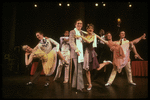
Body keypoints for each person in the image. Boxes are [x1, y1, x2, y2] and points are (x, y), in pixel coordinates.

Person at [74, 24, 99, 90]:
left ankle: (106, 63)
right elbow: (81, 31)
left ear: (93, 30)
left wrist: (81, 36)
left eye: (91, 28)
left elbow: (89, 41)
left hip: (91, 53)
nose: (90, 29)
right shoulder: (85, 35)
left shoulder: (93, 36)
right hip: (86, 53)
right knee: (87, 70)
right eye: (89, 28)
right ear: (87, 29)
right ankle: (90, 84)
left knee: (96, 68)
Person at [69, 19, 87, 92]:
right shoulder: (72, 32)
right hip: (76, 53)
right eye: (78, 23)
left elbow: (85, 40)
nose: (79, 24)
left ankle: (74, 85)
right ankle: (81, 87)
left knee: (77, 70)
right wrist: (76, 49)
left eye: (81, 23)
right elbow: (71, 42)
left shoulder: (81, 33)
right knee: (79, 70)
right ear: (75, 24)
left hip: (80, 53)